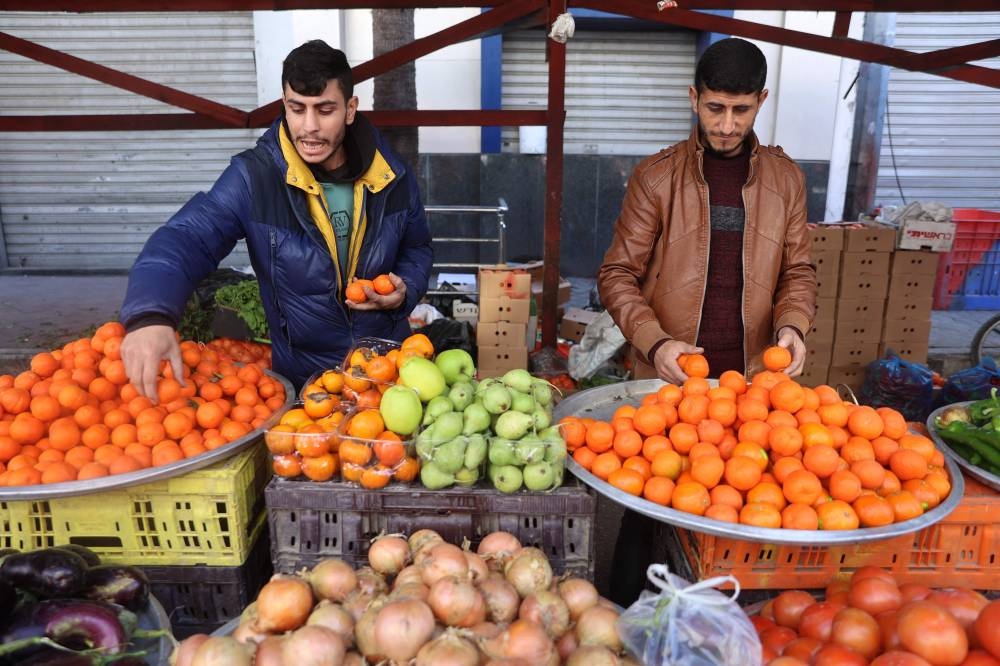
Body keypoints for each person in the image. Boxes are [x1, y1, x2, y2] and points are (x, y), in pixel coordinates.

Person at [596, 38, 816, 605]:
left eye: (740, 110)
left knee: (738, 505)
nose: (725, 123)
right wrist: (656, 341)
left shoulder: (786, 180)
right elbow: (617, 274)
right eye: (715, 107)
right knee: (650, 505)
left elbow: (800, 271)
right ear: (694, 98)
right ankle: (625, 614)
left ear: (761, 102)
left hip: (750, 380)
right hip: (670, 376)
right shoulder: (656, 177)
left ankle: (721, 620)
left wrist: (793, 325)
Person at [119, 40, 433, 394]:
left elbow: (417, 247)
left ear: (349, 109)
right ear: (285, 105)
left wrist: (405, 288)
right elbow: (188, 236)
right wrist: (151, 314)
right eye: (297, 109)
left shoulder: (390, 173)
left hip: (386, 373)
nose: (309, 126)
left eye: (324, 110)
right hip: (306, 384)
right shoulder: (255, 177)